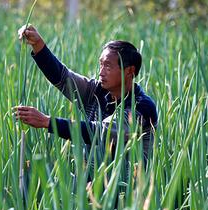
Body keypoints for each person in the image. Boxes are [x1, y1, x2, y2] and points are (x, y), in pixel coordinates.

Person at [14, 24, 157, 168]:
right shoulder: (96, 91)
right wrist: (37, 44)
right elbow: (62, 77)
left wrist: (47, 122)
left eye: (107, 66)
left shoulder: (141, 107)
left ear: (129, 71)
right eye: (100, 65)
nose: (101, 72)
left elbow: (100, 133)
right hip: (91, 183)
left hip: (127, 186)